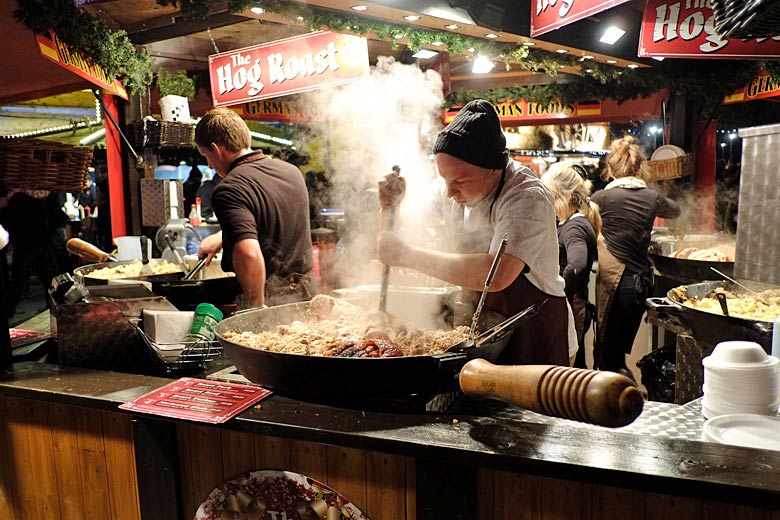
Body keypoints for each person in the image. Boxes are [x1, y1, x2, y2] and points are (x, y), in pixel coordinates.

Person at [377, 100, 576, 366]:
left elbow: (496, 273)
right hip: (483, 332)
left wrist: (408, 256)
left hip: (533, 332)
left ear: (494, 168)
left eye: (459, 181)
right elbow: (400, 231)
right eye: (444, 179)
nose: (449, 191)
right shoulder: (448, 187)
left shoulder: (526, 196)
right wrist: (389, 206)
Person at [194, 107, 313, 308]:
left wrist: (256, 308)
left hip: (272, 302)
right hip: (305, 296)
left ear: (216, 149)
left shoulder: (228, 189)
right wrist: (224, 237)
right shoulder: (291, 172)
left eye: (206, 156)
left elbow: (248, 254)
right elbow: (272, 222)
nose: (211, 165)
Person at [591, 135, 681, 377]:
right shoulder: (652, 198)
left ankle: (620, 405)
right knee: (617, 354)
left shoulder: (601, 198)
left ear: (610, 170)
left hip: (615, 285)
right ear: (639, 169)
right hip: (641, 285)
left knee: (610, 359)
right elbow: (676, 210)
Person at [541, 162, 600, 368]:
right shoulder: (576, 222)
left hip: (572, 305)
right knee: (577, 367)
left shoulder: (573, 226)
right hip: (577, 304)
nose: (550, 205)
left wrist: (557, 292)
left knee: (569, 370)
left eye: (553, 199)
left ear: (566, 197)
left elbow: (577, 264)